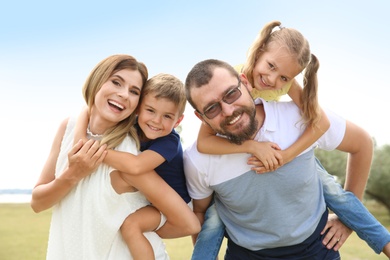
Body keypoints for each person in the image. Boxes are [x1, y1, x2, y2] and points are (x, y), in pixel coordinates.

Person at [190, 21, 390, 259]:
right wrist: (253, 146)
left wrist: (287, 156)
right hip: (246, 238)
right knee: (214, 216)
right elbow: (204, 143)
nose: (272, 80)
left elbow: (321, 122)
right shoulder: (230, 79)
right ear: (259, 51)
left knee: (330, 188)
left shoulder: (287, 93)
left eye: (284, 77)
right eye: (271, 66)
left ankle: (383, 242)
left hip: (293, 157)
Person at [30, 54, 200, 259]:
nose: (124, 94)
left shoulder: (130, 152)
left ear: (136, 103)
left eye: (134, 91)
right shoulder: (70, 126)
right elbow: (37, 203)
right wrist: (74, 173)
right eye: (116, 82)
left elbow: (188, 222)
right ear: (98, 79)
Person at [73, 73, 191, 259]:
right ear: (138, 109)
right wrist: (85, 115)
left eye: (167, 116)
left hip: (173, 206)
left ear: (178, 121)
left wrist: (92, 149)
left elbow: (136, 166)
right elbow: (90, 110)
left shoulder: (169, 142)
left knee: (131, 226)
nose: (156, 121)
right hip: (151, 201)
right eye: (150, 110)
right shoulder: (133, 126)